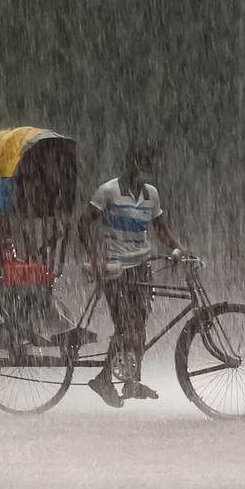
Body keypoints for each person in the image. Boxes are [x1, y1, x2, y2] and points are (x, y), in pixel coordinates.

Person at [78, 143, 195, 408]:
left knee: (138, 325)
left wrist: (177, 247)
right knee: (127, 324)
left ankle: (131, 381)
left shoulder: (151, 194)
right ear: (130, 162)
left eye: (149, 163)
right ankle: (104, 379)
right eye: (142, 162)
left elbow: (160, 228)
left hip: (143, 266)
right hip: (117, 268)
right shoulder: (108, 191)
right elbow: (83, 223)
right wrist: (96, 255)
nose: (145, 169)